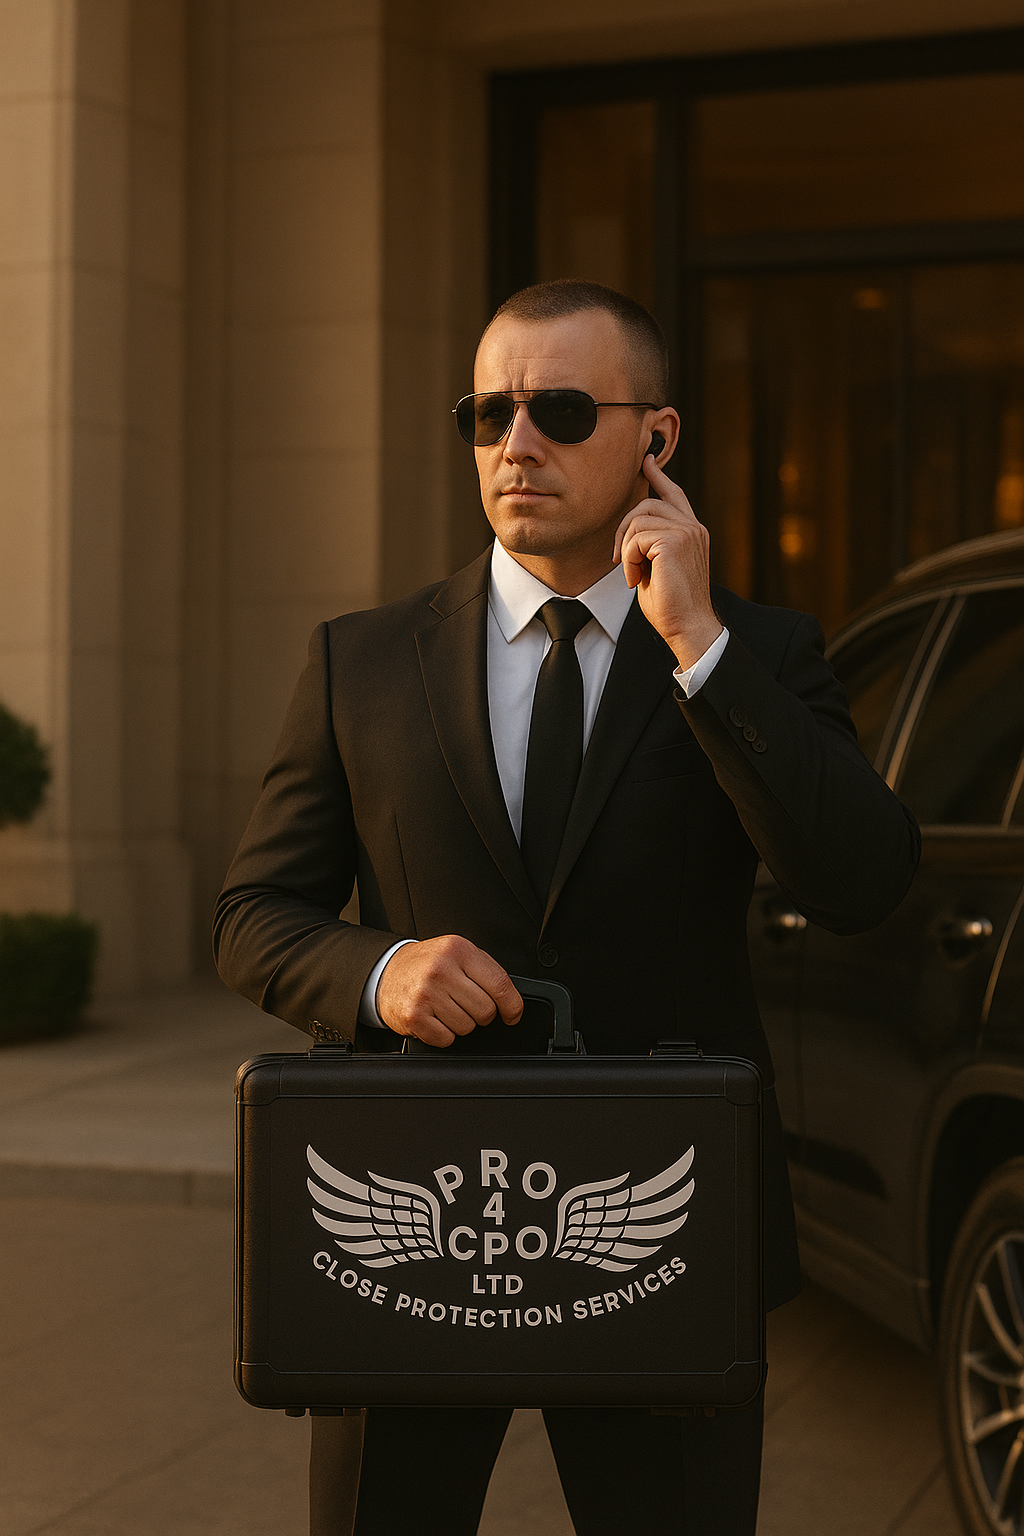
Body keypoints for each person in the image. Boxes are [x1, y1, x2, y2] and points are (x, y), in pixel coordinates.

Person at [215, 279, 920, 1535]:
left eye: (557, 408)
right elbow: (255, 912)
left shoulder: (754, 649)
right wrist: (382, 974)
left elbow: (859, 879)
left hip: (663, 1225)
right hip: (408, 1229)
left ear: (657, 440)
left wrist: (698, 642)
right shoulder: (358, 659)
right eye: (487, 413)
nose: (515, 443)